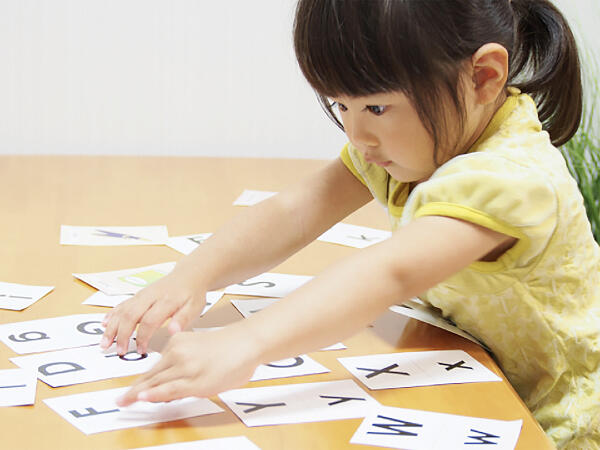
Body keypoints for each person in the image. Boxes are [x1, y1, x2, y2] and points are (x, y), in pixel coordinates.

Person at [101, 0, 600, 447]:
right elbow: (294, 210)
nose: (358, 135)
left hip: (554, 424)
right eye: (342, 106)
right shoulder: (420, 143)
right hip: (472, 378)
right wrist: (191, 277)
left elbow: (390, 272)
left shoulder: (511, 180)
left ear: (484, 77)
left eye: (377, 107)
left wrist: (247, 342)